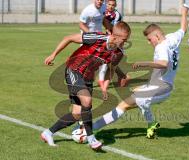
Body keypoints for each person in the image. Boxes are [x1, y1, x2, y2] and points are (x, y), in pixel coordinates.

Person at [82, 4, 189, 139]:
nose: (149, 43)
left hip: (163, 88)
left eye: (150, 40)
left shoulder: (161, 48)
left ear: (157, 35)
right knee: (126, 103)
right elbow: (183, 29)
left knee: (129, 103)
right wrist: (185, 12)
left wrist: (142, 64)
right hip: (157, 85)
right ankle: (151, 124)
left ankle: (89, 130)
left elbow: (163, 64)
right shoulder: (172, 38)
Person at [40, 21, 131, 150]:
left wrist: (120, 76)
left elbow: (111, 68)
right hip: (74, 69)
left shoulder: (118, 53)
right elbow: (69, 38)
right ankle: (91, 139)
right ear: (115, 37)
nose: (125, 43)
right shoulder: (97, 38)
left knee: (77, 114)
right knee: (87, 101)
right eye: (124, 40)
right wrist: (53, 55)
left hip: (87, 77)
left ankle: (48, 133)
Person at [98, 0, 129, 100]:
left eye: (113, 5)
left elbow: (116, 30)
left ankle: (104, 87)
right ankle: (122, 76)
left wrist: (107, 27)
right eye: (109, 4)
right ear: (105, 4)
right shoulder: (102, 11)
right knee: (107, 63)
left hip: (115, 42)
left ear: (115, 6)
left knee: (108, 64)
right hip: (106, 40)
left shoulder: (117, 15)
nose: (110, 6)